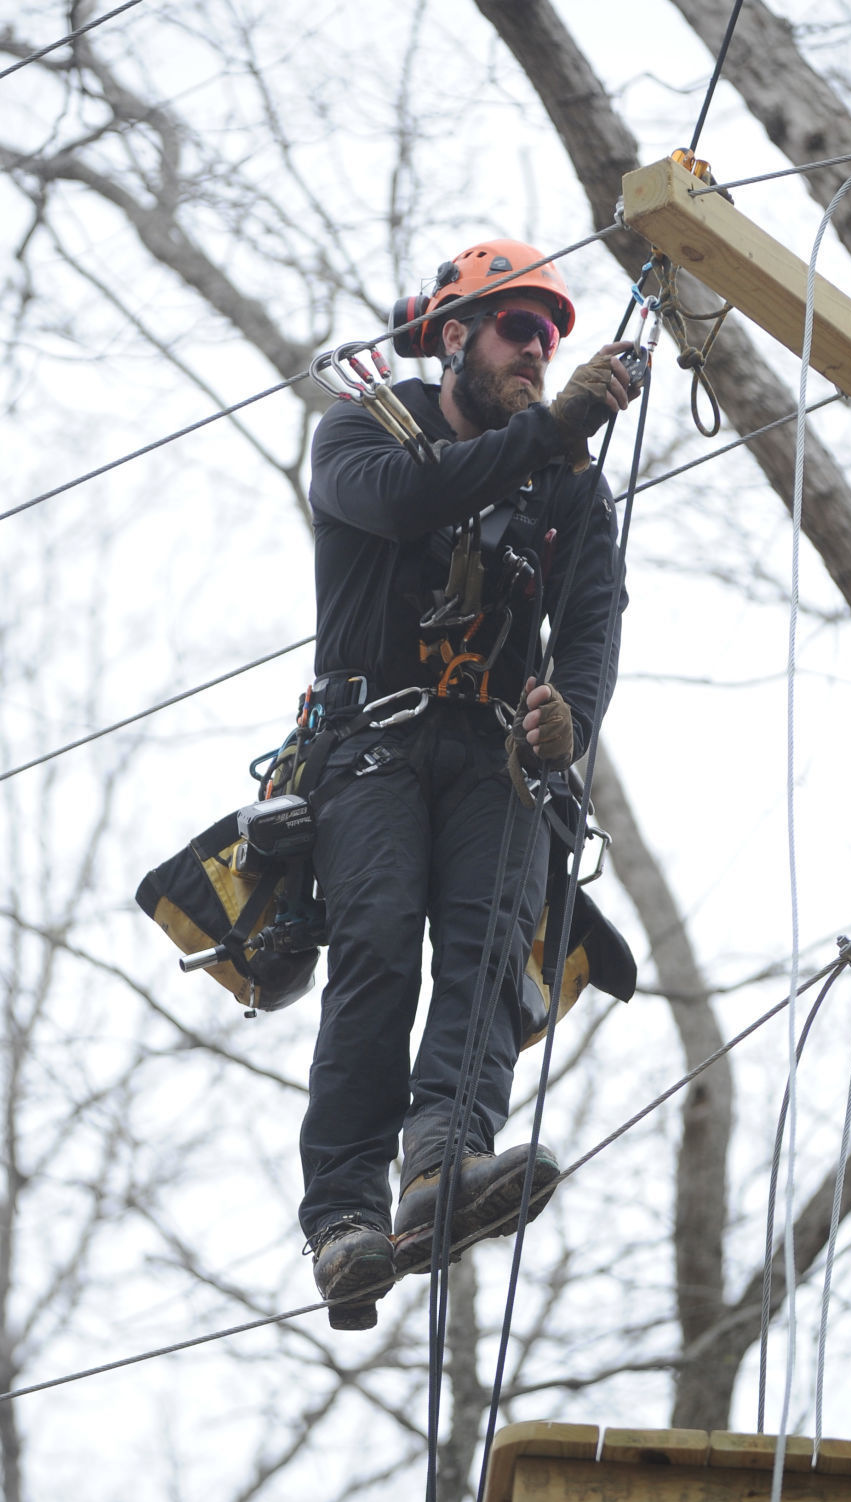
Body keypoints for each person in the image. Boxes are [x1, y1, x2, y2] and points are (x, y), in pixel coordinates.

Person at [301, 239, 634, 1327]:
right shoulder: (361, 433)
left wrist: (569, 720)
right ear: (454, 337)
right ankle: (346, 1218)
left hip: (495, 754)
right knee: (381, 946)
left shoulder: (566, 487)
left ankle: (445, 1160)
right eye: (518, 331)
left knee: (492, 941)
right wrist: (559, 427)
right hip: (375, 749)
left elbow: (590, 619)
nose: (539, 353)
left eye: (551, 339)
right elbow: (407, 502)